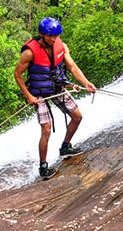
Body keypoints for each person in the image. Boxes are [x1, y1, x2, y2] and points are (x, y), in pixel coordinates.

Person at [15, 17, 96, 179]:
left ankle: (65, 147)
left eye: (56, 36)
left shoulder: (61, 46)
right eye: (51, 36)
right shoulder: (29, 52)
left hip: (57, 88)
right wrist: (29, 96)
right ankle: (43, 167)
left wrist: (86, 83)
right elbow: (17, 74)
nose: (54, 39)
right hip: (38, 93)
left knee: (77, 116)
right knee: (46, 128)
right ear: (42, 34)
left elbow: (72, 67)